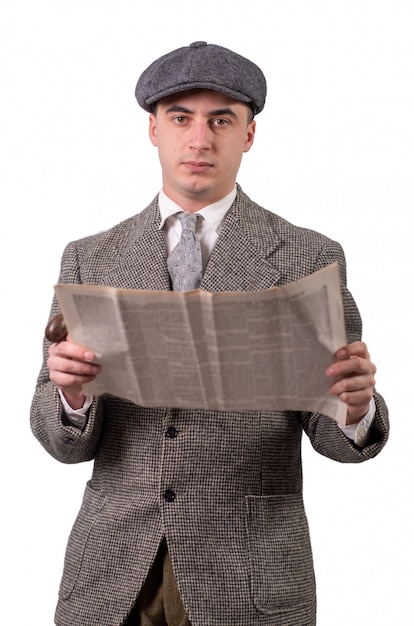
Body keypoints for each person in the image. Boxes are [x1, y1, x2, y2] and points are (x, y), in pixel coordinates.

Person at [31, 41, 389, 626]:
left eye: (222, 120)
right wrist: (71, 397)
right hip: (114, 574)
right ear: (153, 129)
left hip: (250, 576)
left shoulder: (308, 256)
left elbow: (335, 438)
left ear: (249, 135)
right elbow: (60, 440)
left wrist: (355, 407)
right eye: (181, 118)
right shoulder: (89, 259)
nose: (200, 140)